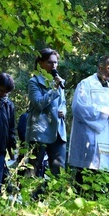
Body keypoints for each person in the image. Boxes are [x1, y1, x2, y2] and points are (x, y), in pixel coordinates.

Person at [68, 56, 109, 182]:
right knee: (86, 177)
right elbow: (78, 108)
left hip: (108, 138)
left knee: (104, 177)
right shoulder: (86, 84)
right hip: (90, 138)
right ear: (100, 67)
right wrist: (105, 111)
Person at [26, 48, 67, 177]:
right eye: (50, 62)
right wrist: (54, 89)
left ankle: (55, 196)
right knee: (33, 169)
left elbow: (63, 103)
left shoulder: (59, 82)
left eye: (55, 63)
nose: (54, 66)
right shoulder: (34, 82)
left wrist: (63, 111)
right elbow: (38, 103)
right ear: (40, 64)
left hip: (58, 131)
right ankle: (29, 195)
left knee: (59, 171)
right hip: (40, 132)